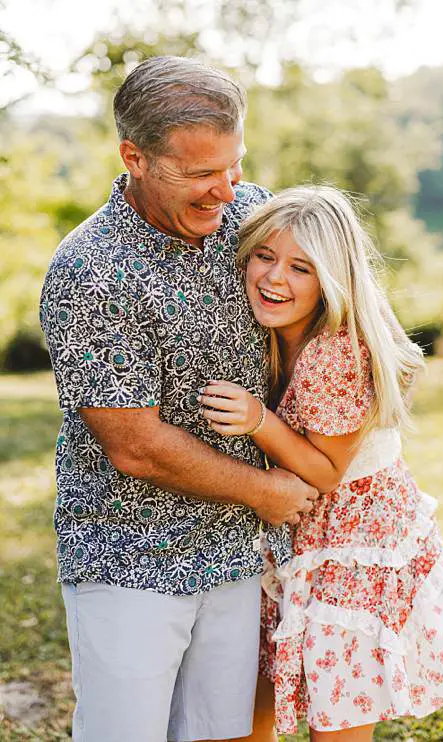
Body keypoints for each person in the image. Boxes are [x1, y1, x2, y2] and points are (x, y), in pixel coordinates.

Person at [37, 55, 316, 742]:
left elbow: (332, 303)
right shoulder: (89, 271)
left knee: (223, 734)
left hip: (237, 554)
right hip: (128, 554)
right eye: (199, 174)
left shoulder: (253, 218)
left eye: (233, 164)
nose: (225, 190)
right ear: (134, 156)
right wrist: (264, 490)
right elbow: (134, 445)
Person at [197, 186, 443, 737]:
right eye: (264, 256)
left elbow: (326, 471)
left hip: (354, 539)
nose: (274, 278)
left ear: (332, 278)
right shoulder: (261, 331)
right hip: (295, 537)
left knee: (338, 710)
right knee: (248, 701)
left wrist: (259, 419)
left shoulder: (336, 348)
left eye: (301, 268)